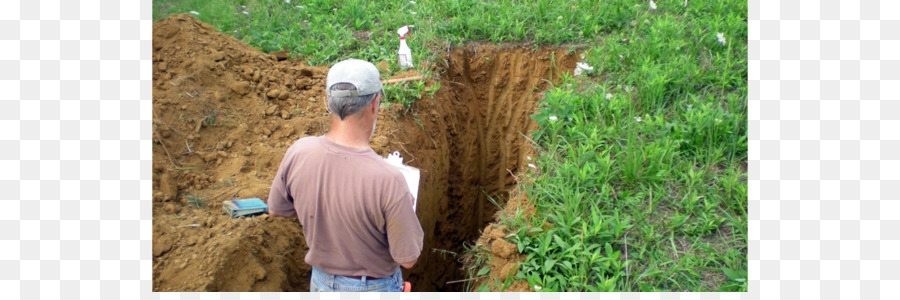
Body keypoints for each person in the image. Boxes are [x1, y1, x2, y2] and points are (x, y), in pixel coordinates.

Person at [267, 59, 424, 292]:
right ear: (374, 104)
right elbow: (407, 259)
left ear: (329, 103)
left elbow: (277, 209)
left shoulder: (298, 152)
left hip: (320, 283)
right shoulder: (388, 180)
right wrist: (400, 205)